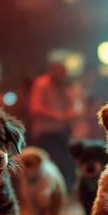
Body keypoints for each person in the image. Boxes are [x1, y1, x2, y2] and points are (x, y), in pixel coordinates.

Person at [29, 60, 79, 189]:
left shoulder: (66, 86)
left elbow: (76, 106)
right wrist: (57, 116)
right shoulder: (41, 83)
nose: (62, 75)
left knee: (67, 163)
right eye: (60, 72)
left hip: (63, 132)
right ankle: (49, 191)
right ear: (52, 70)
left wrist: (70, 113)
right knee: (50, 164)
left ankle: (64, 191)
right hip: (47, 133)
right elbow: (35, 108)